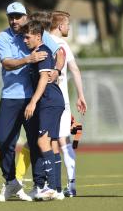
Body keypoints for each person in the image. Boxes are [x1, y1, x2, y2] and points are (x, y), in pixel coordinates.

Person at [0, 2, 64, 202]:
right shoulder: (3, 37)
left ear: (25, 17)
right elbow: (7, 63)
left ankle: (39, 184)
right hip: (10, 97)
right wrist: (29, 59)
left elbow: (60, 53)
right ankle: (10, 182)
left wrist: (56, 70)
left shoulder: (35, 33)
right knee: (3, 139)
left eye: (18, 16)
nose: (14, 20)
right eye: (11, 17)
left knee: (36, 142)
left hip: (33, 98)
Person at [22, 20, 65, 200]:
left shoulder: (43, 52)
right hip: (52, 102)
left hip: (49, 101)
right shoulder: (35, 53)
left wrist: (33, 102)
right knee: (52, 143)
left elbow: (43, 78)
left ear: (38, 37)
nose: (24, 40)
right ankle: (58, 189)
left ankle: (50, 188)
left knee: (42, 142)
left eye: (27, 37)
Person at [49, 10, 87, 198]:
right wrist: (80, 95)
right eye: (68, 24)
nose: (69, 28)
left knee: (46, 141)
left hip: (45, 100)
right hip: (61, 100)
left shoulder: (42, 41)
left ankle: (49, 185)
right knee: (64, 140)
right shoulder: (62, 44)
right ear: (60, 26)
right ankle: (70, 185)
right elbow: (75, 70)